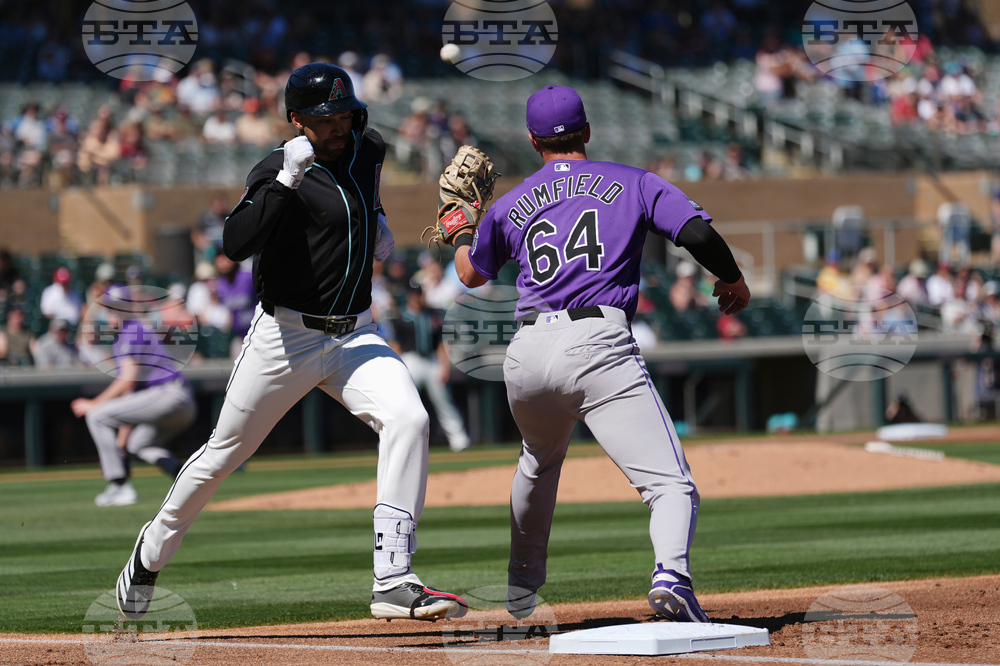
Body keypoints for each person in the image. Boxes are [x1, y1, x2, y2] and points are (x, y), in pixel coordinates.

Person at [114, 63, 468, 623]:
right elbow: (235, 242)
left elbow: (365, 197)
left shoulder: (367, 148)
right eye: (326, 118)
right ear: (297, 119)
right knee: (224, 455)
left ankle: (394, 577)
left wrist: (374, 220)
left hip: (355, 334)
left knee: (410, 419)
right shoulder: (277, 167)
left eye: (345, 113)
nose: (339, 125)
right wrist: (284, 181)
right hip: (285, 338)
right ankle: (149, 555)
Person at [454, 85, 751, 622]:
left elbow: (471, 275)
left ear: (533, 140)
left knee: (537, 464)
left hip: (525, 351)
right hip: (596, 343)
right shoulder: (635, 181)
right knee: (669, 485)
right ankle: (672, 579)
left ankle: (521, 589)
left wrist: (459, 231)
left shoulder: (509, 204)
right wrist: (733, 279)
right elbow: (697, 234)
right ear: (587, 131)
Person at [72, 295, 194, 507]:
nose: (112, 314)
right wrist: (122, 439)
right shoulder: (127, 334)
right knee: (138, 444)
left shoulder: (131, 331)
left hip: (168, 394)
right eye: (109, 310)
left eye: (117, 309)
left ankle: (119, 486)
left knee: (97, 415)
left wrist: (94, 404)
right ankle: (185, 479)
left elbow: (126, 379)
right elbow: (131, 393)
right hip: (176, 401)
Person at [389, 284, 471, 452]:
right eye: (414, 294)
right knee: (402, 403)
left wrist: (445, 366)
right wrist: (398, 369)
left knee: (444, 401)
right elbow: (395, 345)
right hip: (410, 360)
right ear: (409, 295)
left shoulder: (434, 315)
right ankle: (393, 440)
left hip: (431, 360)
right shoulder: (400, 318)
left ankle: (459, 439)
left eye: (419, 293)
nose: (417, 297)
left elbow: (442, 344)